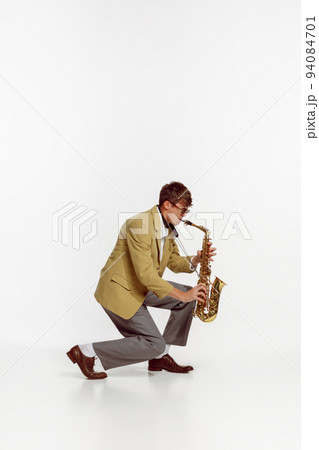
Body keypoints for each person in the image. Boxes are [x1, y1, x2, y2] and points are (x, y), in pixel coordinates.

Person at [67, 181, 216, 379]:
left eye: (187, 210)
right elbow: (146, 275)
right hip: (120, 290)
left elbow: (173, 262)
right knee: (156, 340)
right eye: (183, 209)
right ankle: (87, 352)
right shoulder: (139, 225)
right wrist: (183, 295)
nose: (185, 215)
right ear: (167, 205)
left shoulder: (168, 227)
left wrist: (197, 259)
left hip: (142, 287)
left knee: (188, 300)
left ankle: (160, 357)